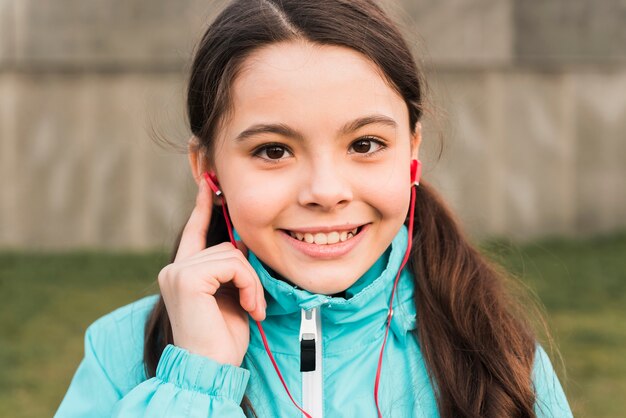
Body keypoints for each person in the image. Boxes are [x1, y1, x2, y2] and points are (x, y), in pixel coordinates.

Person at [55, 0, 573, 417]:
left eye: (366, 144)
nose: (326, 191)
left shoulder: (495, 351)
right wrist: (197, 383)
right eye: (273, 151)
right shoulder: (118, 354)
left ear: (411, 152)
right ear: (207, 169)